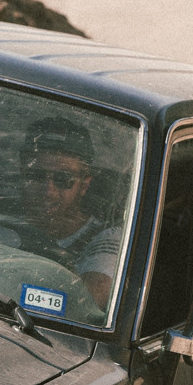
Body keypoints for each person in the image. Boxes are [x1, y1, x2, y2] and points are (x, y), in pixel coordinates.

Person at [20, 118, 122, 309]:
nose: (48, 191)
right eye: (37, 176)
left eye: (63, 179)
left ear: (84, 185)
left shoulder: (106, 240)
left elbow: (83, 307)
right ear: (23, 173)